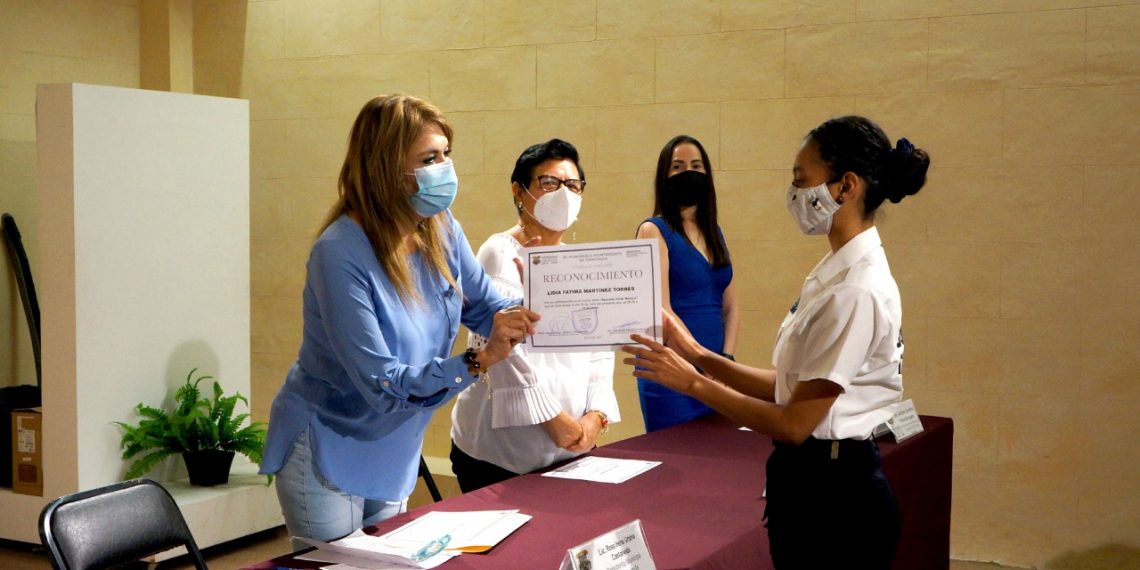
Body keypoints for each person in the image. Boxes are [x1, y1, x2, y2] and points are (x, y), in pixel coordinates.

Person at [623, 116, 929, 569]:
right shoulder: (834, 272)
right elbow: (788, 385)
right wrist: (699, 354)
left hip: (835, 497)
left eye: (801, 181)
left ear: (845, 186)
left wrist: (694, 381)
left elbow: (792, 423)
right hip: (812, 482)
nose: (793, 194)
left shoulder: (855, 290)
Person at [259, 95, 539, 547]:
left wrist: (546, 297)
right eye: (429, 159)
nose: (444, 169)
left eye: (446, 154)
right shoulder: (339, 253)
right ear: (386, 167)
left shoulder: (441, 227)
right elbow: (382, 383)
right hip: (331, 438)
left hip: (396, 443)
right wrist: (476, 361)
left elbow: (487, 308)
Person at [449, 139, 620, 492]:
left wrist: (595, 416)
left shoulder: (577, 262)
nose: (564, 194)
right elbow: (502, 350)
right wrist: (554, 420)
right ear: (519, 191)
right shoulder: (499, 253)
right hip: (502, 455)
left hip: (571, 449)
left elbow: (600, 347)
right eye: (549, 182)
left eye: (573, 185)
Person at [634, 135, 738, 432]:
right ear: (664, 176)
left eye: (696, 166)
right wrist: (701, 362)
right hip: (671, 369)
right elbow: (662, 309)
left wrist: (725, 361)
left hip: (716, 370)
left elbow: (730, 307)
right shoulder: (653, 230)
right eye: (678, 167)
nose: (688, 173)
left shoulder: (715, 232)